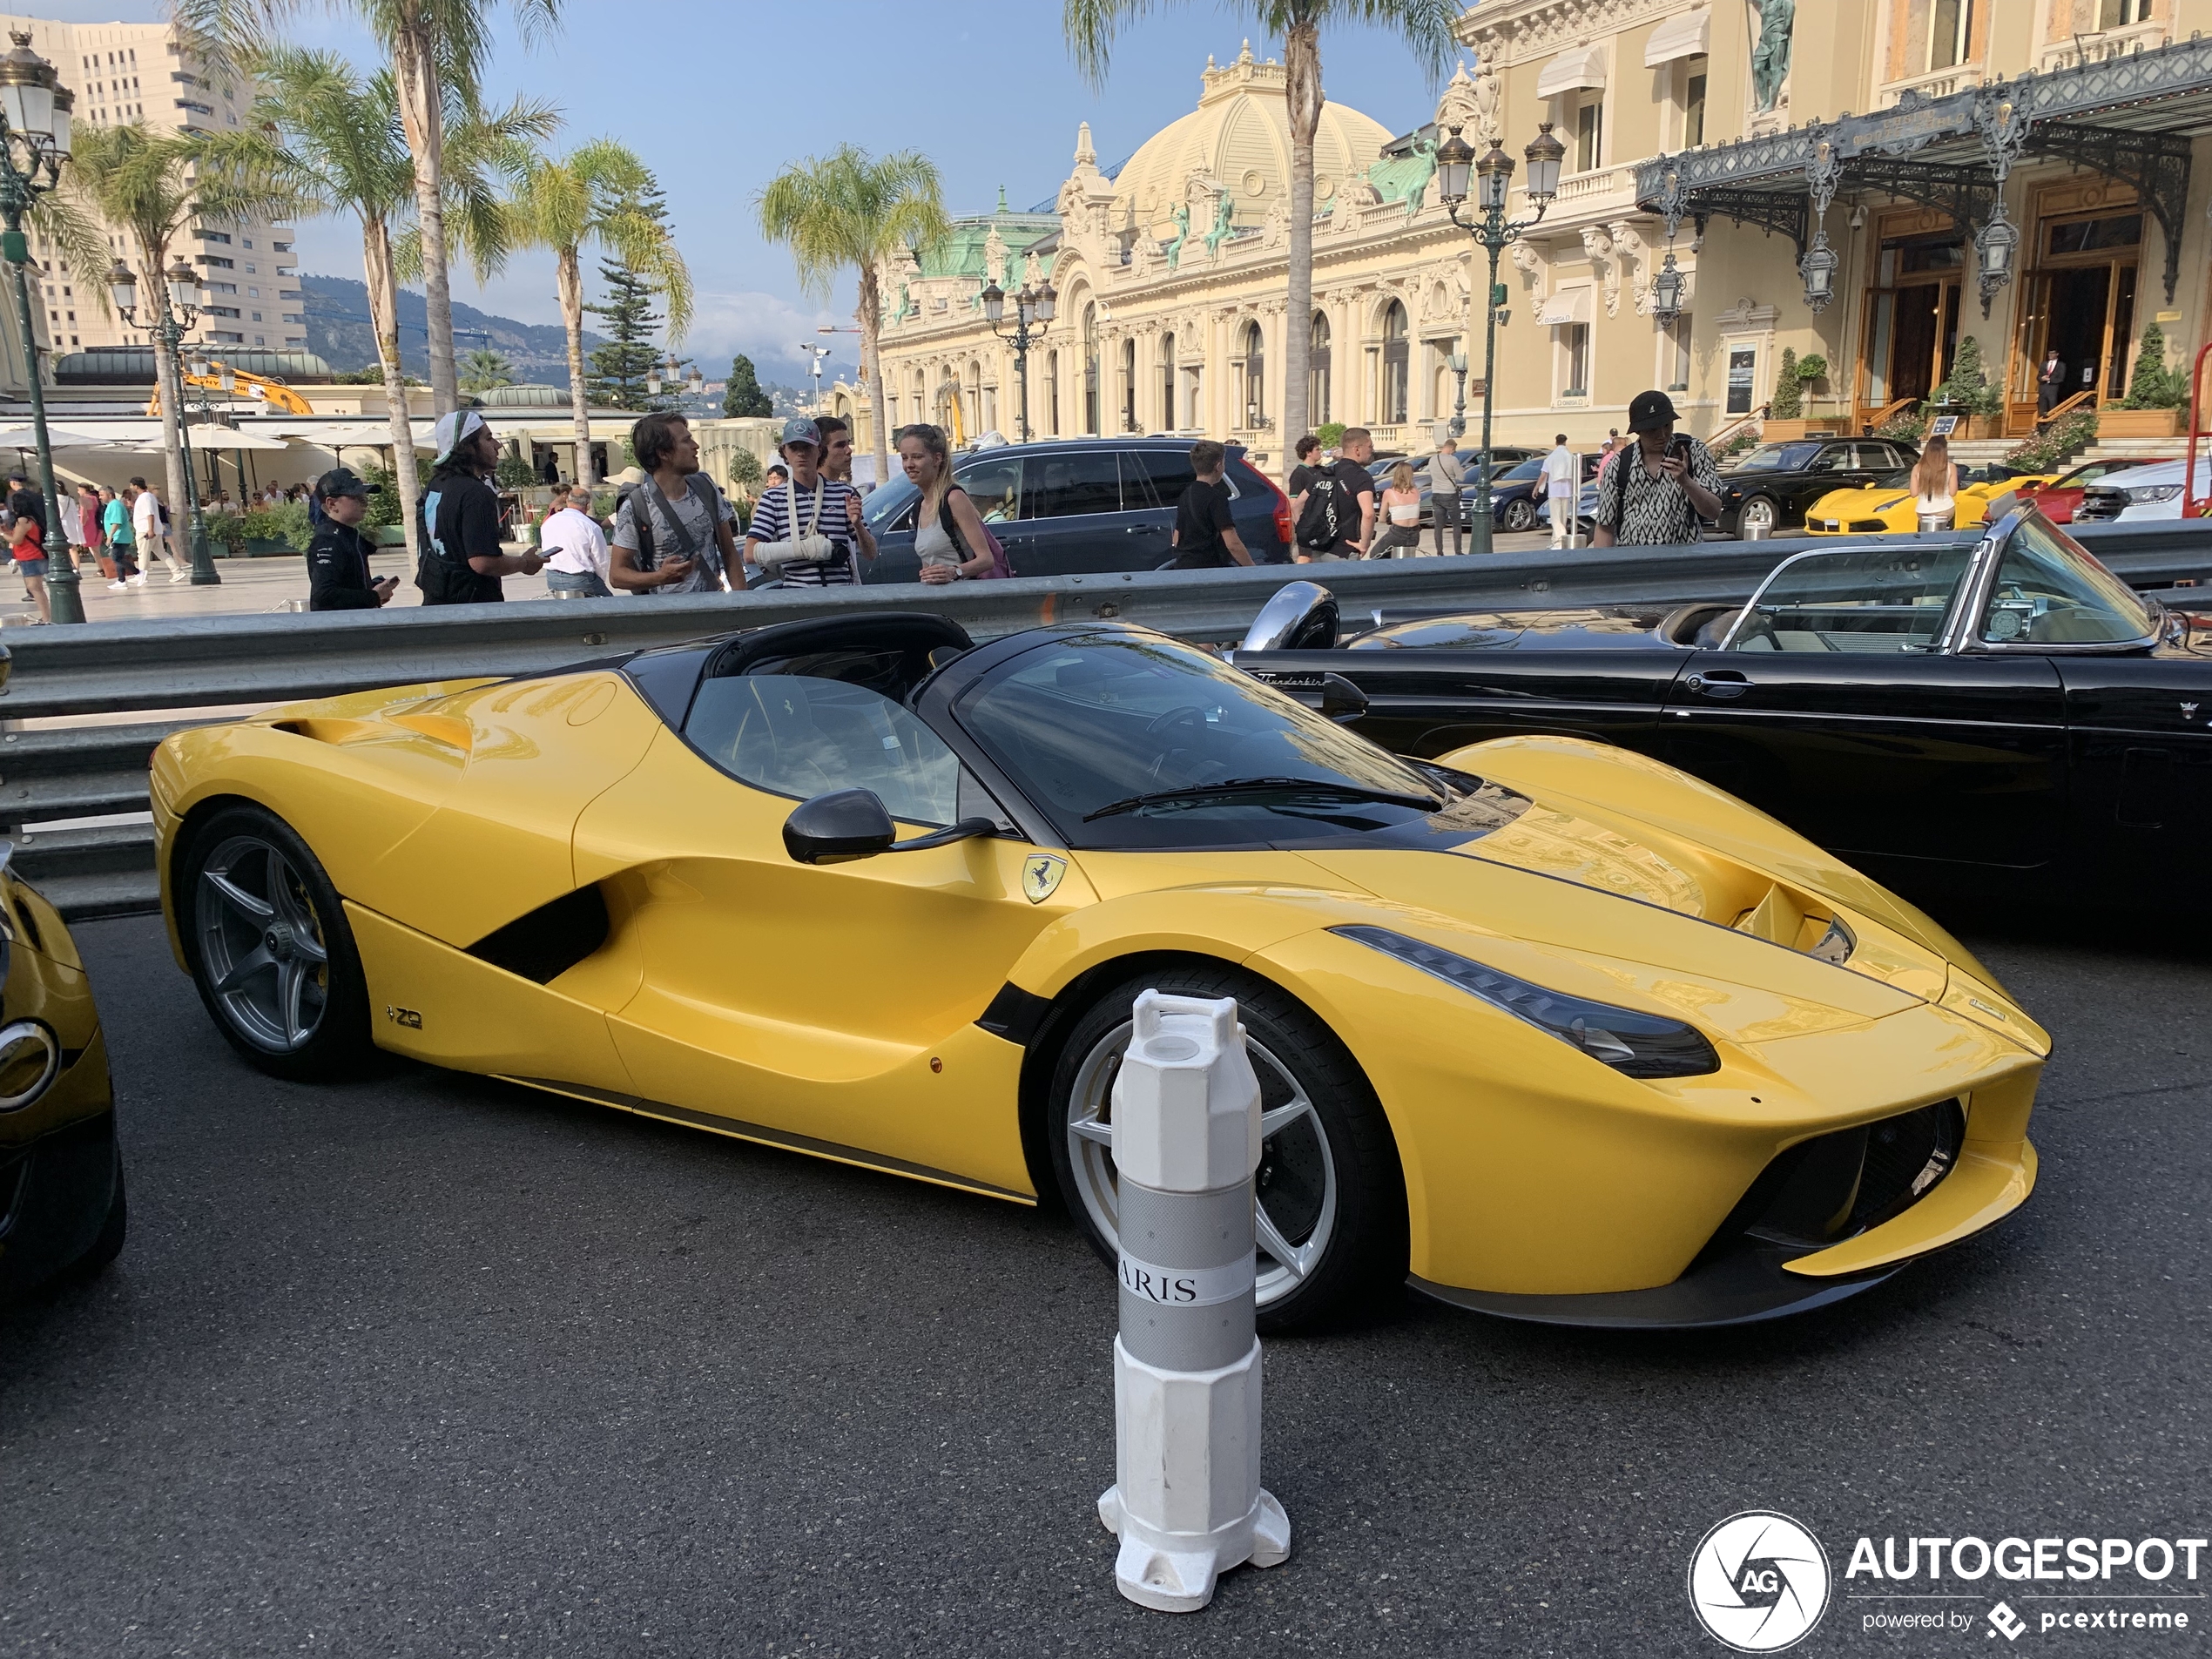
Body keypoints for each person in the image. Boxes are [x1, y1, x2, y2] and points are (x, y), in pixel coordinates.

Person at [417, 409, 543, 604]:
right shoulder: (475, 493)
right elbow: (482, 562)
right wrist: (524, 563)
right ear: (467, 447)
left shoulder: (436, 485)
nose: (497, 445)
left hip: (439, 601)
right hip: (471, 609)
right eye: (489, 438)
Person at [610, 413, 739, 596]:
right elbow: (616, 576)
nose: (696, 446)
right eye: (686, 441)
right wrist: (660, 577)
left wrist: (742, 605)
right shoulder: (635, 507)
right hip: (667, 619)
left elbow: (729, 553)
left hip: (715, 612)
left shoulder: (706, 489)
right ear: (663, 453)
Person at [1590, 390, 1723, 548]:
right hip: (1634, 563)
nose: (1662, 435)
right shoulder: (1619, 464)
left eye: (1667, 425)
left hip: (1684, 561)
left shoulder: (1694, 451)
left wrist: (1686, 482)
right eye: (1652, 429)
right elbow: (1605, 526)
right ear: (1638, 430)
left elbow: (1713, 511)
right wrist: (1605, 570)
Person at [744, 416, 866, 587]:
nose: (801, 454)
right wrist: (805, 548)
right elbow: (750, 554)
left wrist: (858, 525)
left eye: (807, 447)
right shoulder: (772, 499)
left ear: (819, 450)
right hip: (799, 597)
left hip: (842, 595)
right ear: (784, 452)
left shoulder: (843, 493)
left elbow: (871, 553)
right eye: (794, 448)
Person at [900, 422, 998, 583]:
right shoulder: (920, 505)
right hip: (936, 601)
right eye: (904, 458)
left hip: (963, 599)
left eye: (917, 457)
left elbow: (986, 559)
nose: (909, 464)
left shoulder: (954, 499)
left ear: (937, 458)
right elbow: (928, 566)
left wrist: (954, 572)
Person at [304, 468, 396, 610]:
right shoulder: (328, 541)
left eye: (365, 497)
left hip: (353, 625)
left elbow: (345, 586)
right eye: (356, 497)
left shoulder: (348, 535)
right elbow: (324, 596)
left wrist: (371, 589)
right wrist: (373, 596)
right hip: (340, 629)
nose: (365, 502)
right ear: (331, 504)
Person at [1287, 428, 1377, 560]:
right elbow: (1368, 514)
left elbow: (1297, 506)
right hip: (1344, 551)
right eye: (1370, 446)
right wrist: (1364, 544)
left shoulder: (1324, 473)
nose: (1372, 450)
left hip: (1318, 548)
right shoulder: (1361, 476)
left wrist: (1307, 532)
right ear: (1357, 449)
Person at [1167, 439, 1253, 570]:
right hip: (1210, 568)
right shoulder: (1216, 498)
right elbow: (1232, 543)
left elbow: (1176, 538)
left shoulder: (1186, 494)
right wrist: (1252, 567)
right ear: (1218, 467)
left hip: (1184, 567)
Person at [815, 415, 878, 563]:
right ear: (820, 450)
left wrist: (857, 525)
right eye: (839, 445)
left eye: (848, 444)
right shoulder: (791, 495)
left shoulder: (846, 494)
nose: (849, 450)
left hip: (844, 584)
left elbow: (871, 553)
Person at [540, 483, 615, 597]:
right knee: (610, 605)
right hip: (581, 578)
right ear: (588, 506)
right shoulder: (591, 526)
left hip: (552, 578)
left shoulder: (548, 522)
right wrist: (599, 580)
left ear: (568, 502)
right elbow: (601, 560)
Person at [131, 475, 186, 582]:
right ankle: (176, 571)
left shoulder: (144, 497)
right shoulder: (150, 496)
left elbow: (149, 514)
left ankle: (142, 575)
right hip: (155, 529)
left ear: (136, 486)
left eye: (132, 485)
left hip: (146, 529)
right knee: (161, 552)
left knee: (143, 553)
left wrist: (150, 529)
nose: (131, 488)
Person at [1370, 461, 1426, 558]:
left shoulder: (1389, 492)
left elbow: (1382, 519)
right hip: (1415, 534)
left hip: (1397, 533)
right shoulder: (1416, 492)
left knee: (1375, 554)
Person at [1911, 434, 1959, 532]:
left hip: (1923, 510)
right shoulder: (1951, 467)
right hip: (1945, 509)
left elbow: (1913, 493)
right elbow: (1953, 492)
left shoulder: (1917, 468)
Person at [8, 501, 48, 623]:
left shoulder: (22, 521)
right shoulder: (33, 519)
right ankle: (46, 616)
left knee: (35, 588)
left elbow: (17, 540)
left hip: (28, 556)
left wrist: (2, 534)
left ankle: (47, 617)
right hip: (36, 555)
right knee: (37, 588)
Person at [1427, 438, 1467, 556]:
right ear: (1451, 448)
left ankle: (1439, 551)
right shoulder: (1453, 460)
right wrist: (1460, 470)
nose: (1453, 452)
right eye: (1454, 450)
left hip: (1436, 493)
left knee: (1439, 525)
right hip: (1449, 494)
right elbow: (1461, 478)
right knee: (1456, 524)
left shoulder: (1432, 459)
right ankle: (1458, 551)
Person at [1540, 433, 1580, 549]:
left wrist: (1537, 487)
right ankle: (1555, 539)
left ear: (1556, 442)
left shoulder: (1551, 457)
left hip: (1555, 490)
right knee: (1563, 516)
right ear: (1565, 442)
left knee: (1555, 518)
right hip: (1567, 490)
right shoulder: (1570, 456)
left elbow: (1543, 475)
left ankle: (1560, 540)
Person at [103, 485, 141, 587]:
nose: (100, 497)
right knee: (118, 558)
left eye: (102, 495)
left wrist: (110, 536)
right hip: (119, 537)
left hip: (120, 536)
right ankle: (121, 580)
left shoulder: (115, 505)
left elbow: (116, 522)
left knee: (117, 558)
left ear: (109, 495)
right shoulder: (112, 505)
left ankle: (138, 573)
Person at [2038, 348, 2067, 418]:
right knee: (2042, 410)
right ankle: (2042, 424)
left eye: (2052, 353)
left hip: (2053, 390)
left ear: (2057, 354)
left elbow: (2061, 378)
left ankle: (2051, 423)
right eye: (2049, 353)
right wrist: (2042, 378)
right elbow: (2038, 376)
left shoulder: (2061, 365)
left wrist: (2050, 379)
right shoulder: (2044, 364)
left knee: (2052, 409)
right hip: (2043, 390)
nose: (2050, 355)